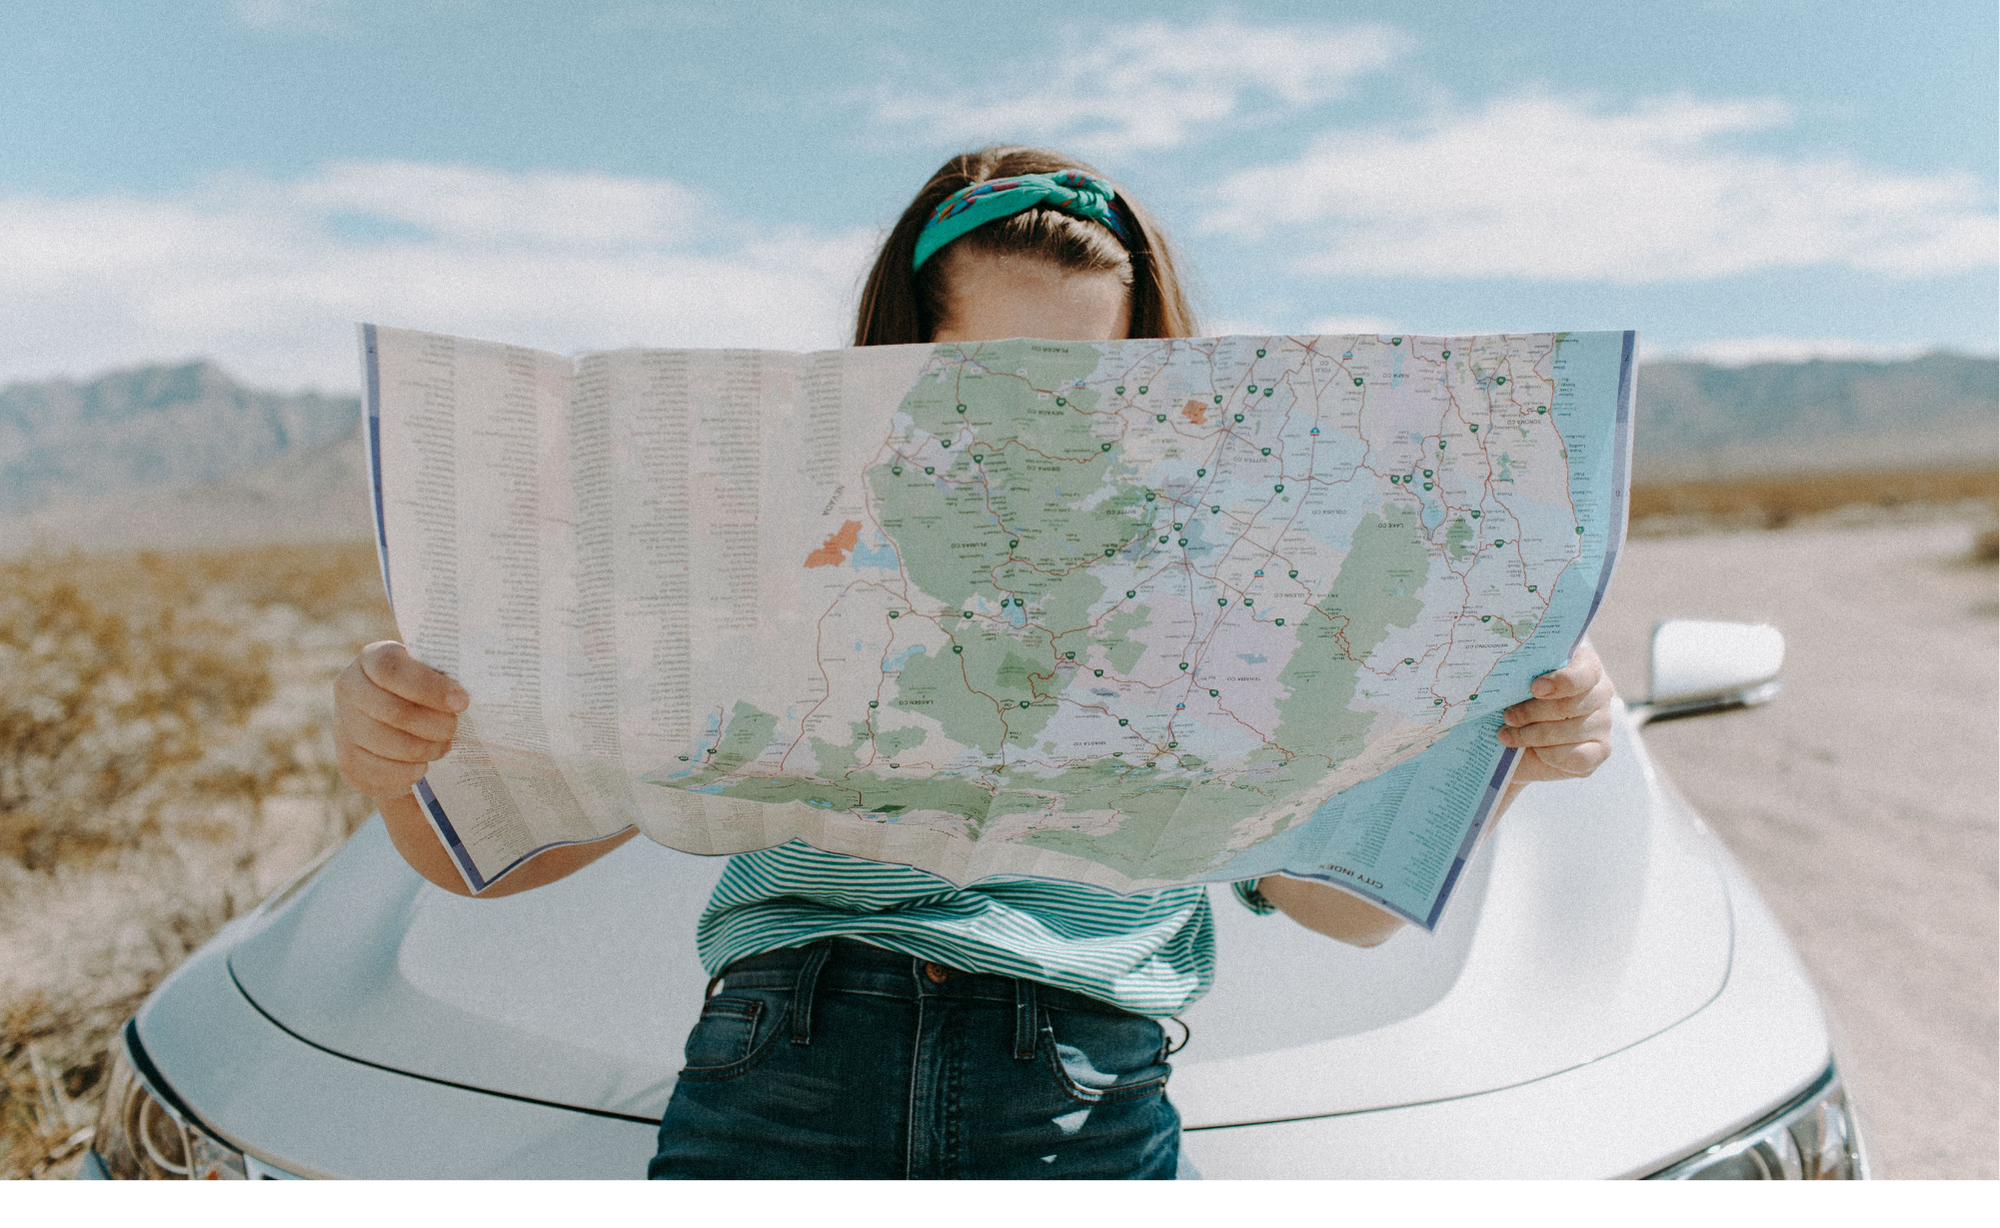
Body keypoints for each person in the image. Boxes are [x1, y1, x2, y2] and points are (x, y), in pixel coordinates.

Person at [332, 147, 1618, 1184]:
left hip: (1078, 1091)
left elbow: (1345, 909)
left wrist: (1498, 747)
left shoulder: (1241, 569)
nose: (1035, 416)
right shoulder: (773, 538)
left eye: (1083, 379)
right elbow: (485, 861)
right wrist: (399, 760)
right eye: (987, 374)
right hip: (783, 1060)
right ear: (899, 361)